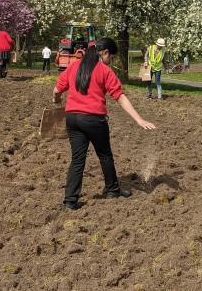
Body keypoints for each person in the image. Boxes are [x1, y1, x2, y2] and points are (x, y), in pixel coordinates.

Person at [53, 38, 156, 210]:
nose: (111, 61)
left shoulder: (74, 66)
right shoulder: (104, 70)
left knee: (77, 160)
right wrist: (139, 119)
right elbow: (120, 97)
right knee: (105, 155)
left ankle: (70, 201)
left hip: (72, 119)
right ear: (105, 52)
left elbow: (57, 90)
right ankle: (112, 191)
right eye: (112, 57)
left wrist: (56, 100)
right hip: (94, 120)